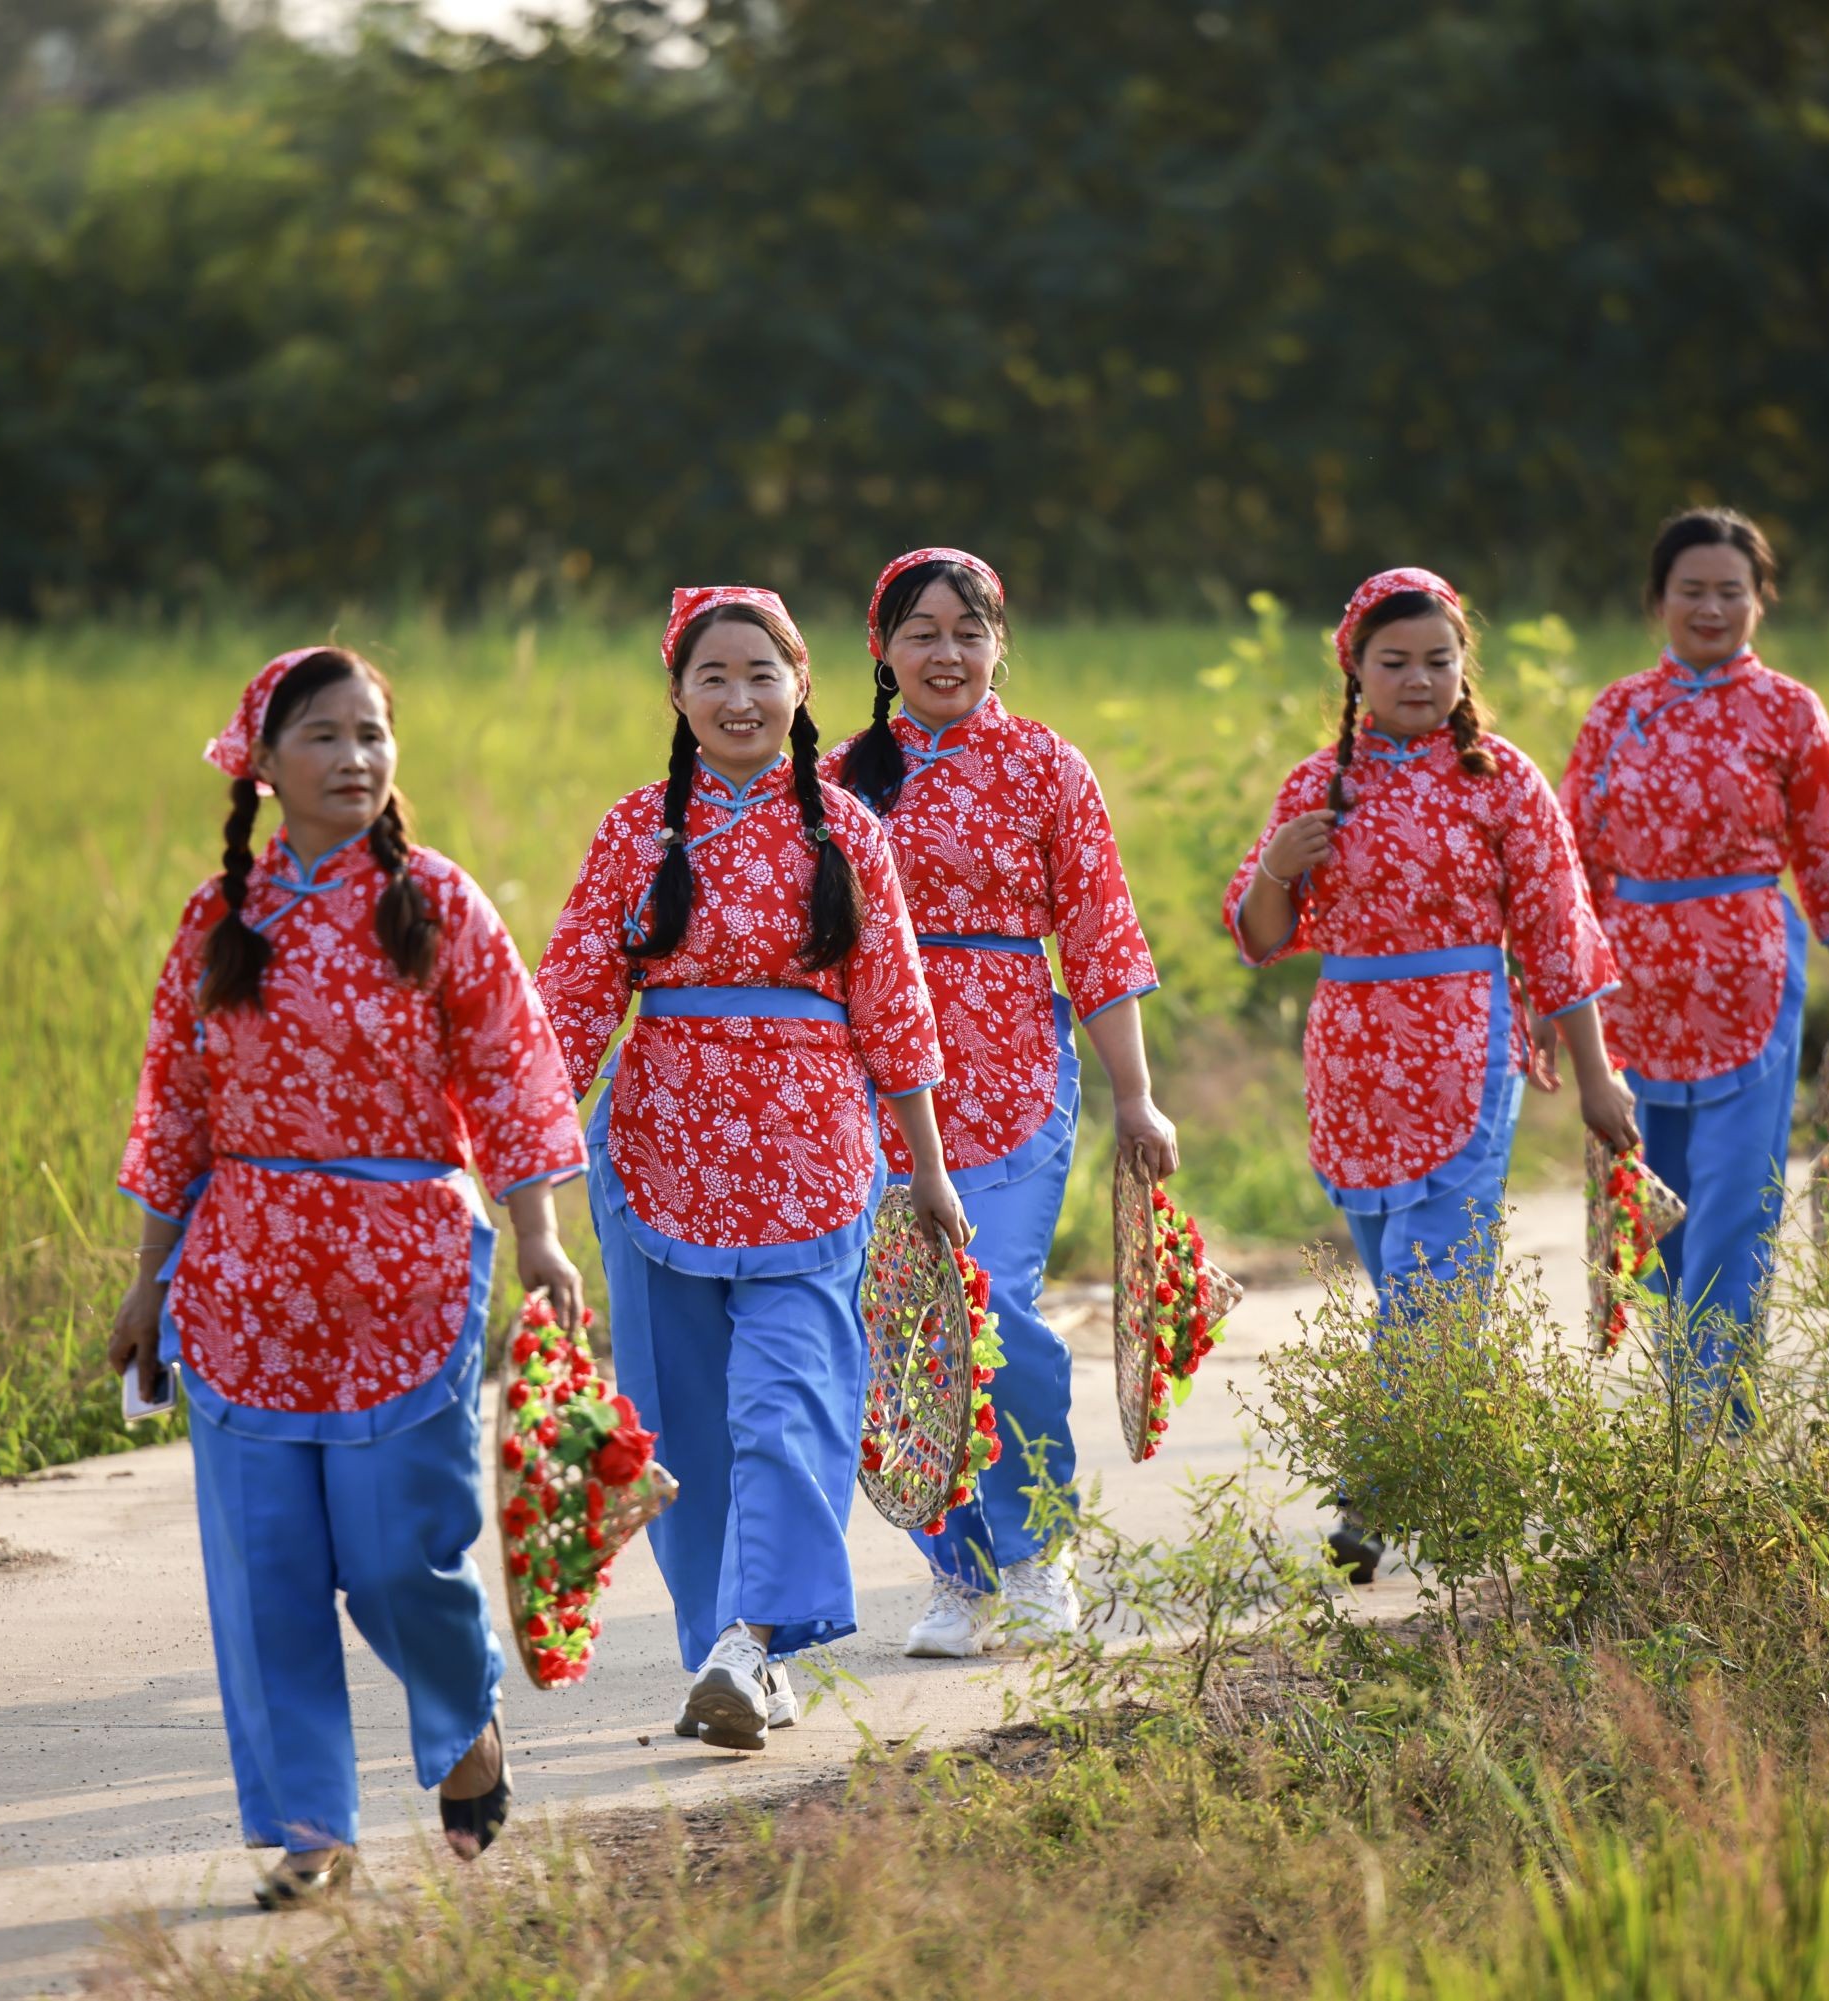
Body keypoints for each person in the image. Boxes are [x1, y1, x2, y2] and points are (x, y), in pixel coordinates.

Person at [107, 645, 588, 1908]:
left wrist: (539, 1233)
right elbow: (176, 1108)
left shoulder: (437, 904)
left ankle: (463, 1725)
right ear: (261, 765)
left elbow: (513, 1074)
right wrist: (148, 1280)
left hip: (406, 1270)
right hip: (243, 1278)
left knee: (398, 1557)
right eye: (324, 736)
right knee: (264, 1571)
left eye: (373, 734)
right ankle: (311, 1827)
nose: (355, 759)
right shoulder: (220, 923)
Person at [537, 587, 965, 1751]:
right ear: (677, 695)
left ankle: (752, 1642)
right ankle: (731, 1647)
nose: (739, 699)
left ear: (802, 687)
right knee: (681, 1427)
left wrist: (927, 1170)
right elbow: (573, 999)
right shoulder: (638, 831)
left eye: (761, 675)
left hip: (815, 1160)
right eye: (713, 677)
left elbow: (898, 1009)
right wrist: (522, 1166)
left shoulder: (846, 831)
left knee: (792, 1409)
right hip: (657, 1157)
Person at [1224, 567, 1635, 1580]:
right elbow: (1261, 935)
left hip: (1464, 1039)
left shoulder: (1501, 779)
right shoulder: (1318, 785)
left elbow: (1557, 935)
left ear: (1465, 669)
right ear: (1355, 670)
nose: (1418, 678)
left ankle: (1373, 1490)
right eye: (1395, 661)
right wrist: (1281, 861)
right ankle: (1467, 1479)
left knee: (1432, 1279)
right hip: (1353, 1052)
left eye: (1439, 660)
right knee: (1410, 1284)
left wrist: (1596, 1075)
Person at [834, 546, 1173, 1658]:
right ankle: (958, 1574)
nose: (946, 652)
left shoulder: (1046, 767)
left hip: (1015, 1070)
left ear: (1000, 644)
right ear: (883, 650)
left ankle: (1038, 1552)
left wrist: (1137, 1097)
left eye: (967, 631)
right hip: (875, 1088)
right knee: (909, 1331)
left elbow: (1102, 937)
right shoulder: (836, 779)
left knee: (997, 1310)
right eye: (922, 632)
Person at [1550, 508, 1829, 1423]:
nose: (1710, 607)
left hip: (1749, 974)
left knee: (1739, 1199)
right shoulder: (1617, 709)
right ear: (1657, 599)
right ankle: (1684, 1416)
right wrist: (1549, 999)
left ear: (1760, 601)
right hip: (1633, 989)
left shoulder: (1789, 711)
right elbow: (1568, 868)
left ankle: (1719, 1422)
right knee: (1658, 1205)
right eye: (1690, 590)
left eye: (1729, 591)